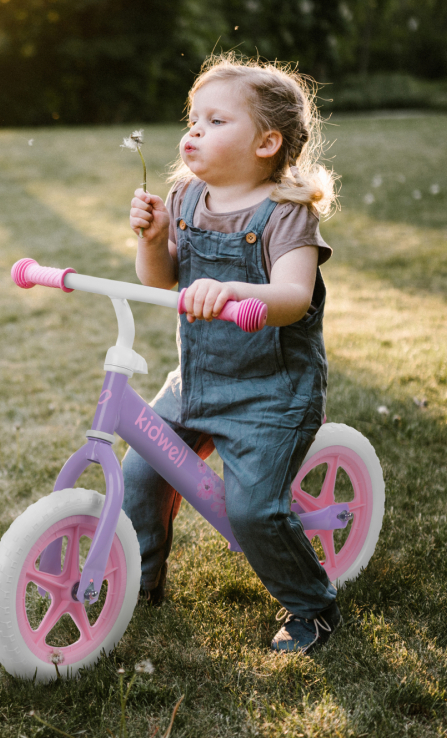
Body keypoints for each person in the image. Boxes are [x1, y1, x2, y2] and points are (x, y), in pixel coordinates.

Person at [123, 53, 340, 655]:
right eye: (193, 119)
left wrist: (234, 290)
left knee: (253, 511)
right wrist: (151, 238)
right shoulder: (186, 198)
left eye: (216, 121)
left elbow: (294, 297)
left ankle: (312, 606)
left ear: (267, 142)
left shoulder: (286, 213)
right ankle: (141, 584)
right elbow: (161, 281)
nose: (194, 130)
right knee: (140, 472)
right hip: (197, 380)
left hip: (270, 393)